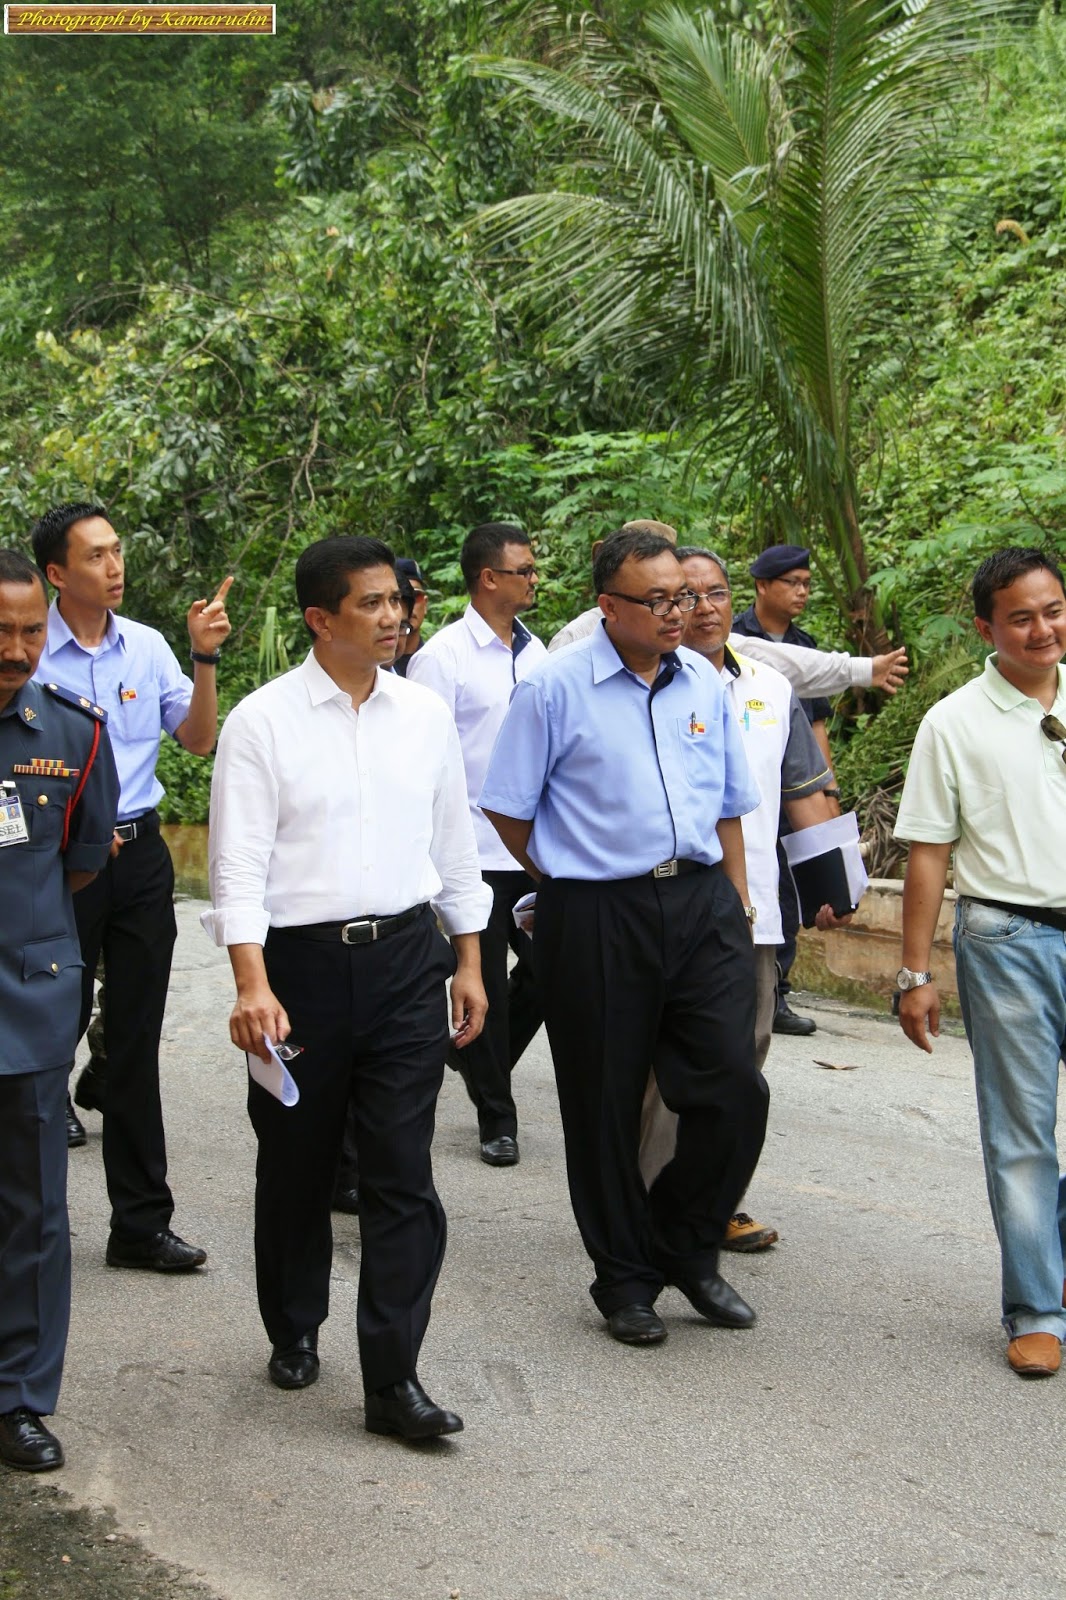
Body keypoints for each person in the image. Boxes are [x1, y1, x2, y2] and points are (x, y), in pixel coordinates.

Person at [203, 535, 491, 1439]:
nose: (394, 616)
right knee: (298, 1160)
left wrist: (469, 959)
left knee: (404, 1171)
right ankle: (294, 1323)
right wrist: (251, 984)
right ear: (320, 619)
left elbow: (455, 844)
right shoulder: (263, 723)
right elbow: (237, 866)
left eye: (397, 601)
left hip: (407, 960)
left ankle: (393, 1379)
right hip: (300, 971)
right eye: (371, 603)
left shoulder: (424, 716)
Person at [481, 527, 768, 1347]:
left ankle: (683, 1241)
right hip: (598, 910)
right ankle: (625, 1279)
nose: (681, 612)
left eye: (688, 595)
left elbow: (728, 804)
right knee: (603, 1102)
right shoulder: (553, 688)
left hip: (703, 903)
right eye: (660, 599)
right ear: (609, 606)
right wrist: (567, 878)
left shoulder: (704, 682)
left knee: (733, 1086)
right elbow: (507, 806)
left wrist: (737, 900)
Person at [31, 502, 230, 1271]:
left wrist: (204, 658)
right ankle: (33, 1226)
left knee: (135, 1040)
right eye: (95, 556)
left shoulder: (145, 647)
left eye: (116, 551)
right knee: (47, 1033)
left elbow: (198, 739)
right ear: (56, 572)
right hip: (57, 864)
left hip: (140, 857)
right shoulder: (27, 652)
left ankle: (140, 1227)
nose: (114, 566)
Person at [639, 547, 847, 1250]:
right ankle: (648, 1203)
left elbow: (804, 794)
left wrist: (833, 886)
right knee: (665, 1069)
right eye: (686, 596)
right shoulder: (647, 683)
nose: (703, 608)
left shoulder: (770, 688)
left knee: (742, 1062)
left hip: (754, 910)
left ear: (736, 601)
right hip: (665, 909)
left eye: (716, 593)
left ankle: (713, 1200)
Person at [895, 547, 1066, 1380]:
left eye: (1053, 610)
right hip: (1008, 941)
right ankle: (1037, 1310)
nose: (1042, 630)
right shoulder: (953, 722)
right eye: (1021, 618)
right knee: (1023, 1134)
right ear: (985, 628)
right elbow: (929, 852)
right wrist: (914, 974)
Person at [0, 550, 119, 1472]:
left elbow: (80, 863)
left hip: (25, 1002)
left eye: (30, 632)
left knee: (34, 1212)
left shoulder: (73, 732)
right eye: (0, 633)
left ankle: (18, 1398)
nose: (16, 649)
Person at [407, 522, 547, 1165]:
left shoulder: (538, 652)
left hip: (533, 849)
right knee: (483, 979)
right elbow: (423, 761)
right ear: (489, 578)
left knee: (550, 970)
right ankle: (498, 1117)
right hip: (472, 852)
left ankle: (465, 1055)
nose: (534, 579)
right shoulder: (443, 658)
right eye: (524, 570)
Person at [732, 544, 838, 1038]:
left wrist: (829, 794)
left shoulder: (804, 645)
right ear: (761, 585)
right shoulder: (733, 639)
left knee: (787, 894)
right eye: (791, 583)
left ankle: (777, 990)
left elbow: (814, 726)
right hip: (748, 797)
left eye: (806, 584)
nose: (802, 592)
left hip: (790, 789)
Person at [392, 557, 429, 677]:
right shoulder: (374, 663)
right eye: (398, 597)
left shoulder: (438, 657)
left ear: (425, 604)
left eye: (415, 596)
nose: (410, 604)